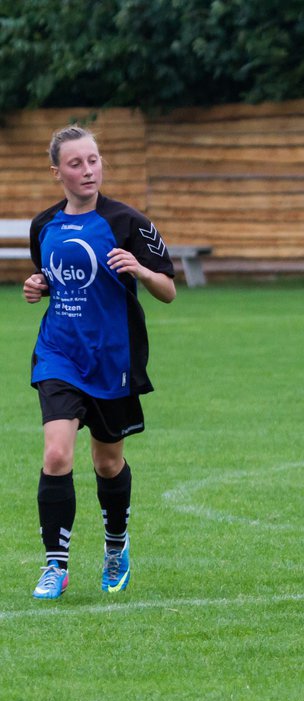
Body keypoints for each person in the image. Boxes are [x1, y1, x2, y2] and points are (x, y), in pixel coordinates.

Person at [22, 124, 176, 600]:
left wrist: (141, 270)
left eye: (93, 160)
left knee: (108, 464)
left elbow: (168, 290)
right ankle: (55, 565)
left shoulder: (128, 222)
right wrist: (38, 286)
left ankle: (115, 547)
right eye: (75, 163)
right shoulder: (43, 225)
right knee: (56, 454)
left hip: (113, 359)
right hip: (60, 353)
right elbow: (50, 278)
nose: (87, 170)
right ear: (57, 172)